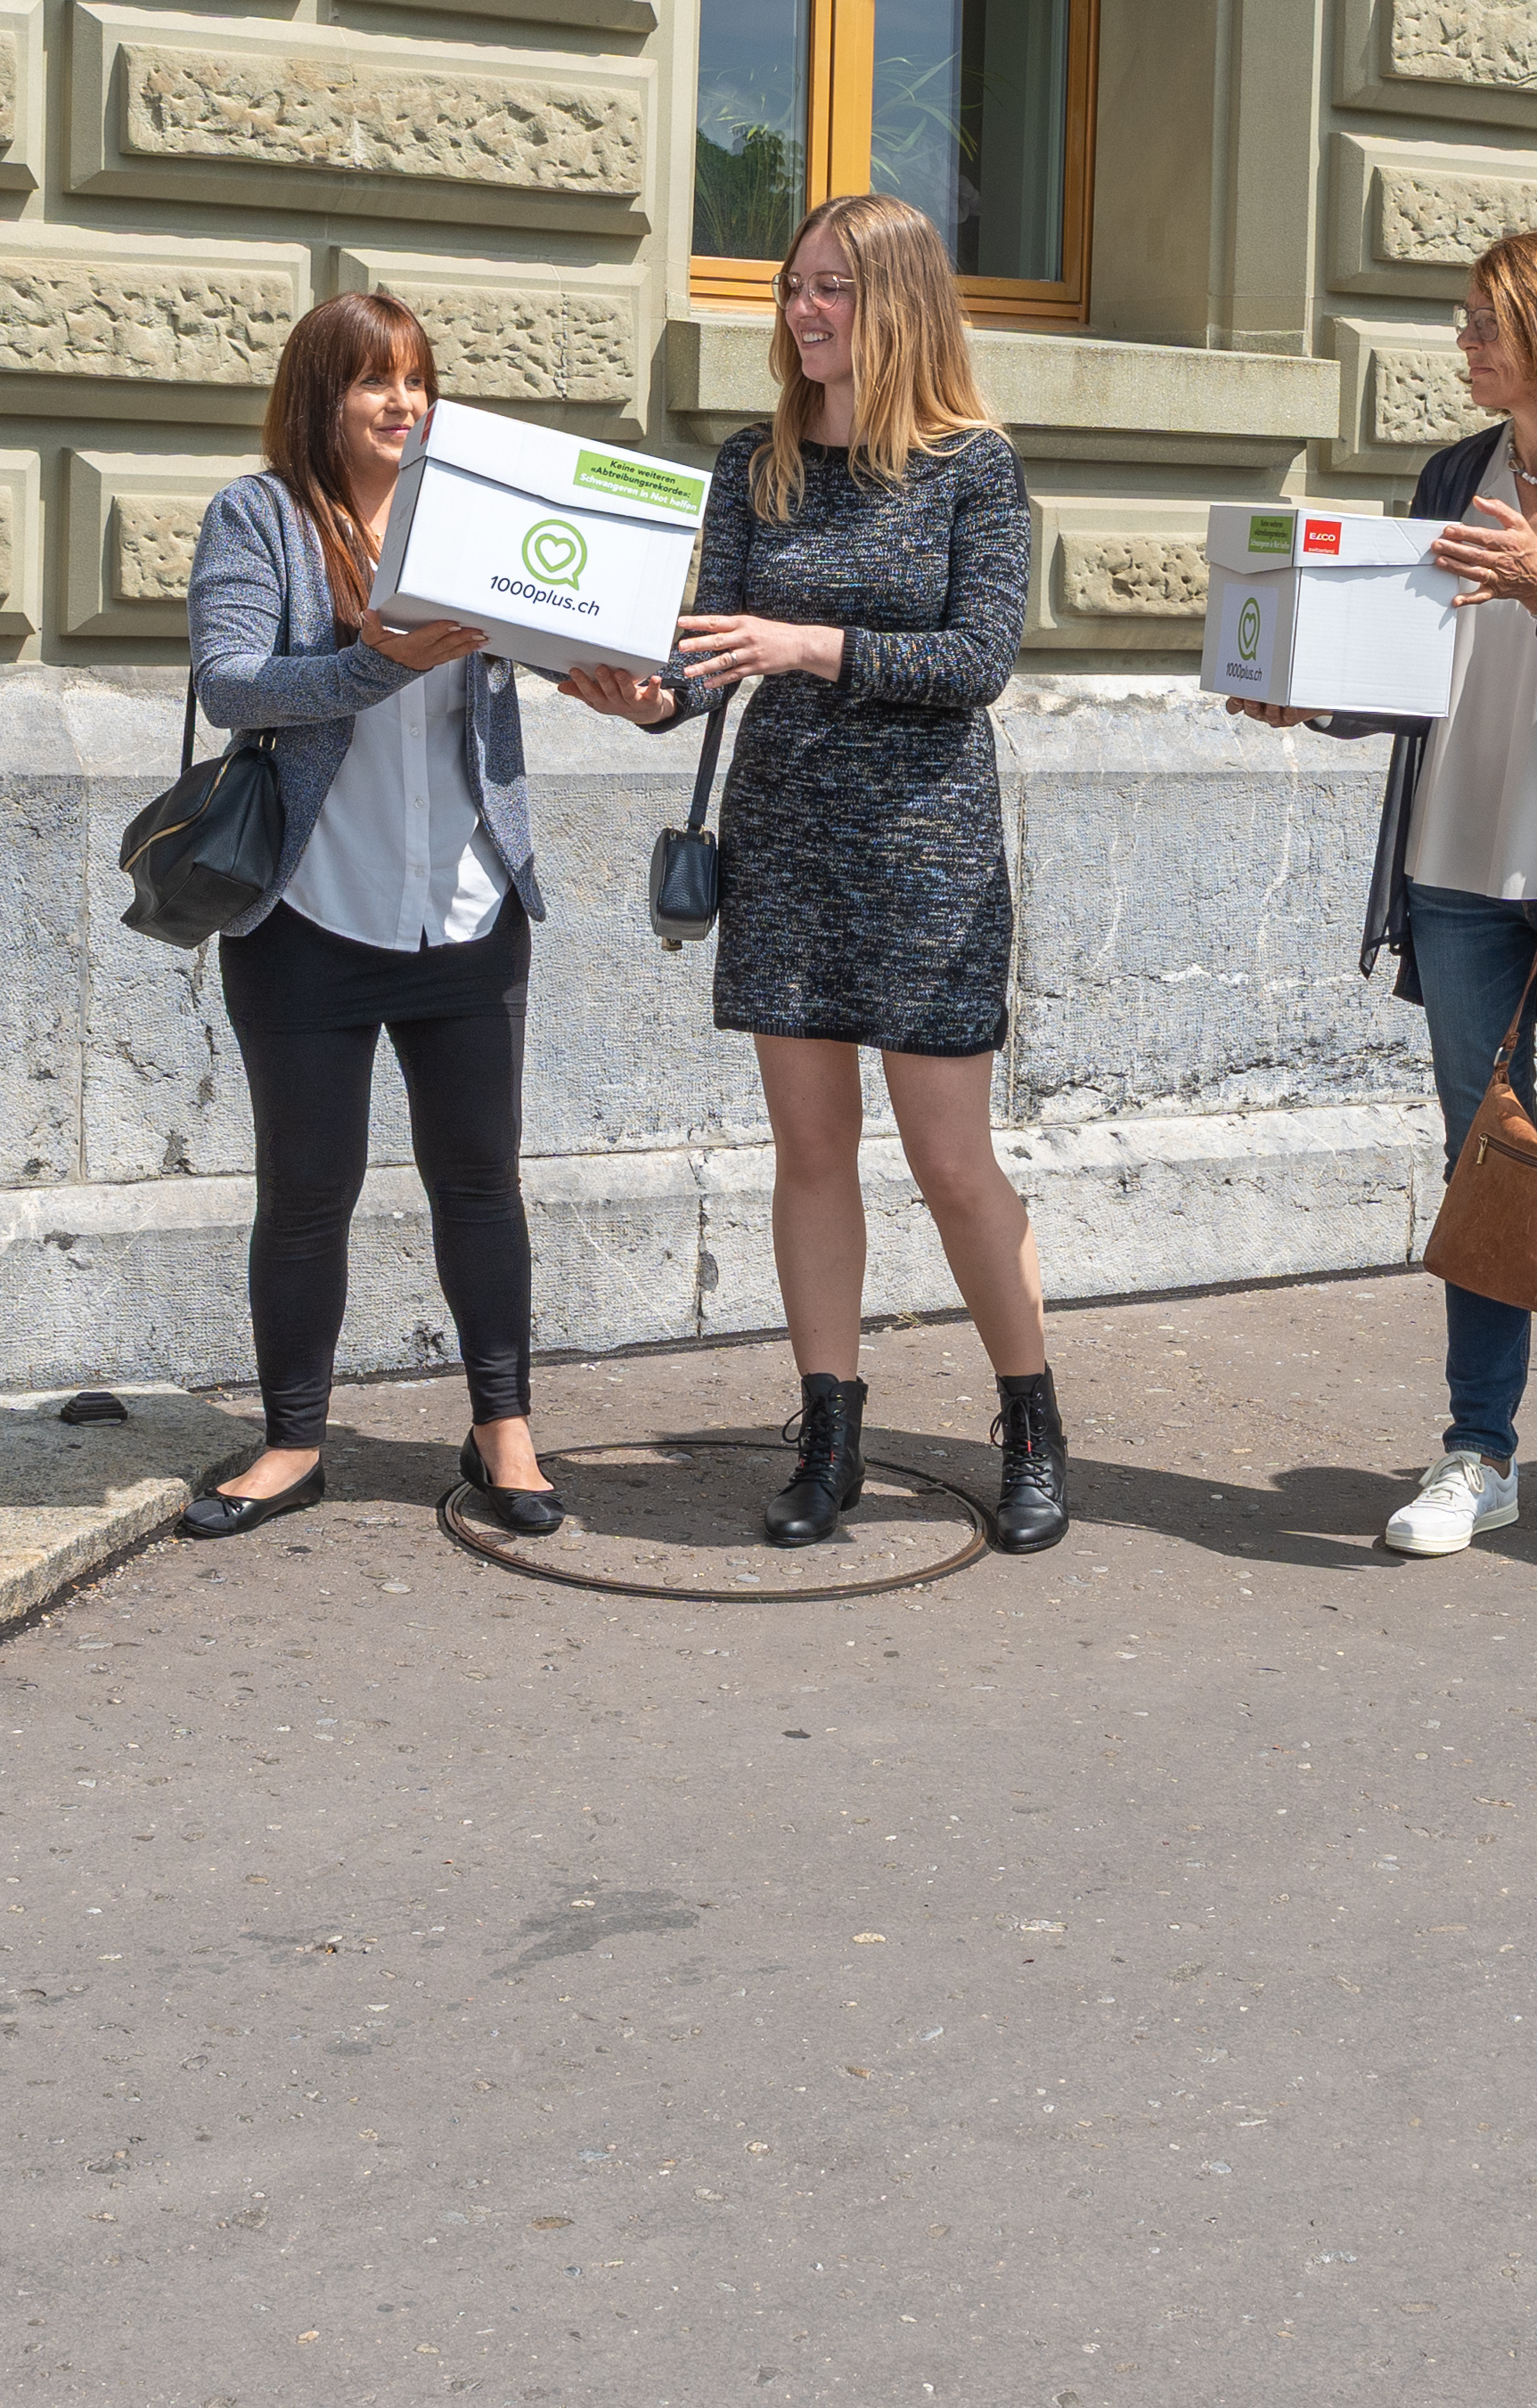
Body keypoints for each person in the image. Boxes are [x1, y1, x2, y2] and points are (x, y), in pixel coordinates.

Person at [1230, 227, 1537, 1583]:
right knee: (1484, 1162)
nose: (1465, 345)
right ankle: (1481, 1454)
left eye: (1483, 324)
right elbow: (1409, 663)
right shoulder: (1456, 472)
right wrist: (1311, 691)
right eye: (1466, 325)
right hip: (1457, 874)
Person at [169, 296, 678, 1542]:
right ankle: (293, 1441)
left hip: (468, 910)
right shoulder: (262, 516)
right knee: (306, 1191)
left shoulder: (482, 514)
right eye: (373, 383)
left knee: (480, 1183)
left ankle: (503, 1425)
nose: (403, 404)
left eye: (417, 382)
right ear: (320, 399)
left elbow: (596, 639)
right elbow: (229, 679)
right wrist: (378, 660)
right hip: (309, 916)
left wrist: (642, 696)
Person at [680, 192, 1062, 1555]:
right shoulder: (753, 464)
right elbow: (708, 651)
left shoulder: (975, 468)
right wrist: (632, 682)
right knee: (810, 1153)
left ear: (899, 301)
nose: (802, 310)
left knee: (954, 1164)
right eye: (793, 287)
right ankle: (827, 1429)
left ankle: (1027, 1421)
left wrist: (810, 646)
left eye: (831, 288)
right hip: (783, 839)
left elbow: (976, 666)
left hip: (925, 854)